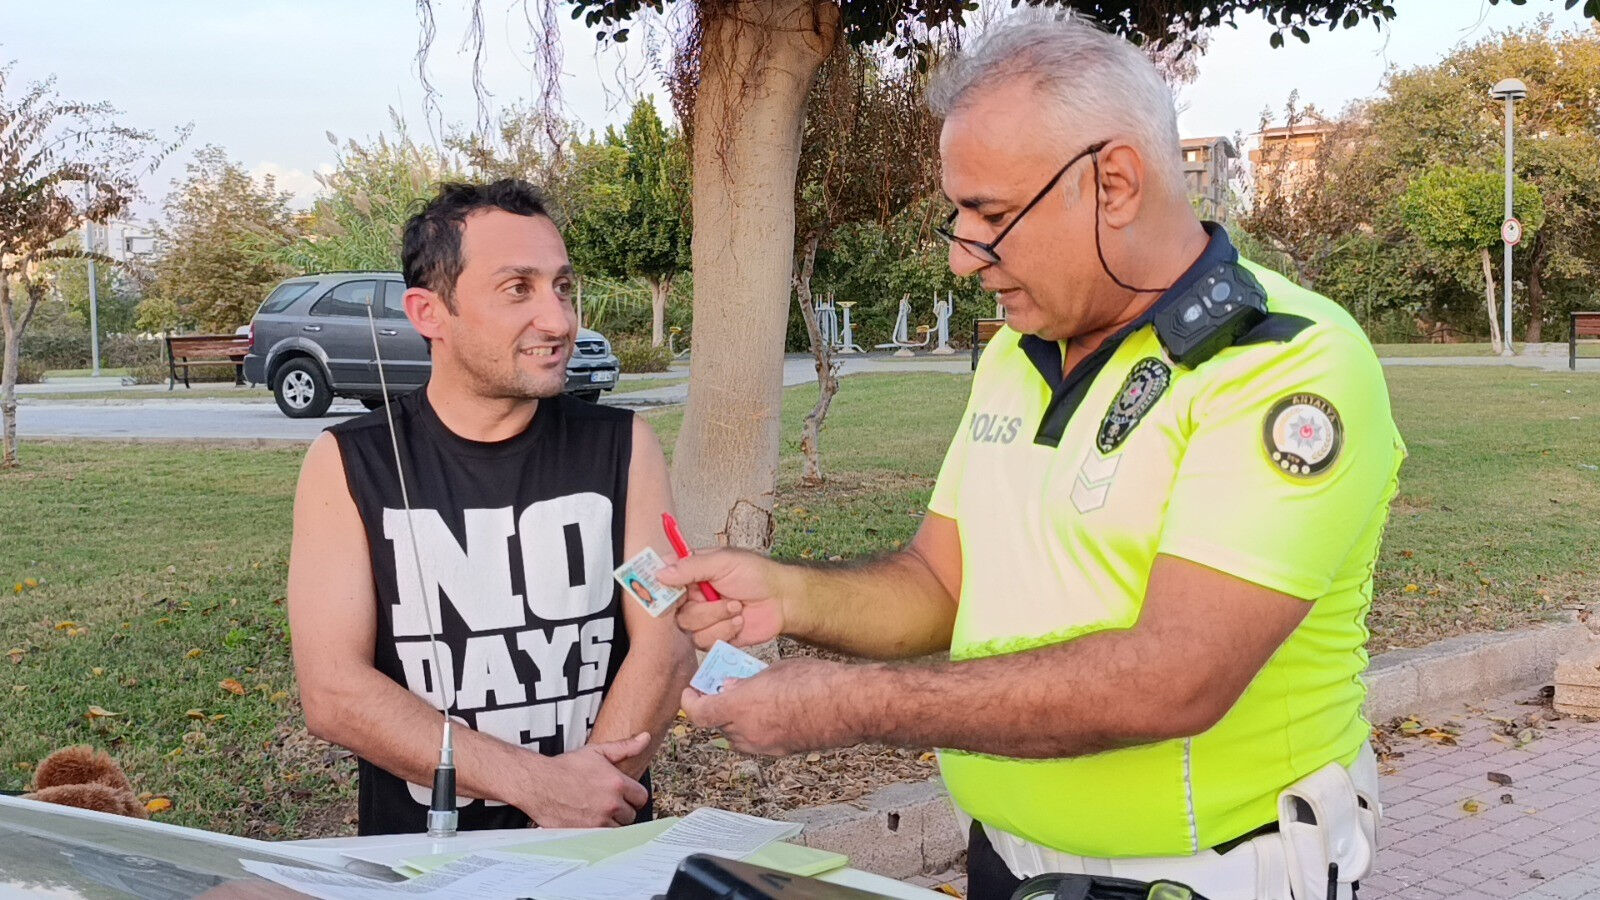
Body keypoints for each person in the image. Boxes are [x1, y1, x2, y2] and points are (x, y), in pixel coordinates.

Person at [662, 15, 1402, 900]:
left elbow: (1174, 680)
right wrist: (787, 595)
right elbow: (941, 583)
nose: (960, 255)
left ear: (1114, 183)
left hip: (1206, 877)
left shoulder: (1284, 360)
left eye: (991, 214)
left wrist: (846, 705)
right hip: (1006, 861)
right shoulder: (1018, 353)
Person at [287, 179, 696, 835]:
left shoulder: (624, 448)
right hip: (426, 866)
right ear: (429, 313)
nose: (559, 321)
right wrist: (542, 788)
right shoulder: (349, 463)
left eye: (562, 287)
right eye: (518, 289)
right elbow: (334, 691)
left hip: (599, 851)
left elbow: (666, 641)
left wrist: (584, 810)